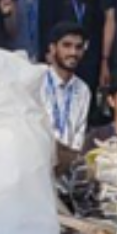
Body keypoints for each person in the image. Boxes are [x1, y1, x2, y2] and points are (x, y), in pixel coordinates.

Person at [41, 22, 92, 152]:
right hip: (37, 158)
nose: (73, 52)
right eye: (67, 45)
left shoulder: (83, 89)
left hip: (68, 162)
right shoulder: (38, 81)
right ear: (52, 48)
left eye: (78, 47)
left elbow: (79, 137)